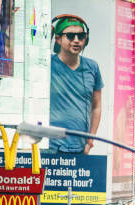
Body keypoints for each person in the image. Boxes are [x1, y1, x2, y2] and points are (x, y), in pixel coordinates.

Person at [50, 15, 103, 154]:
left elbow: (96, 107)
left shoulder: (92, 67)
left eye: (81, 36)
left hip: (79, 147)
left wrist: (90, 141)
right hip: (50, 146)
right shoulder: (47, 64)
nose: (76, 40)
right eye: (70, 36)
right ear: (58, 39)